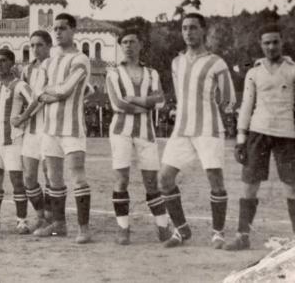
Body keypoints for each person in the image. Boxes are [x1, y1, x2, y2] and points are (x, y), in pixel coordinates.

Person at [224, 24, 295, 250]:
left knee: (292, 185)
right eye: (267, 43)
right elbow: (246, 106)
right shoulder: (254, 72)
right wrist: (241, 140)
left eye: (275, 42)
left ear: (282, 43)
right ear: (261, 45)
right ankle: (243, 236)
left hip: (286, 135)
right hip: (257, 133)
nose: (271, 46)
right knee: (249, 185)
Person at [158, 13, 236, 248]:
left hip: (208, 129)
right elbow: (181, 96)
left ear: (203, 31)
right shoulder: (176, 62)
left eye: (193, 27)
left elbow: (228, 99)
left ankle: (218, 233)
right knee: (164, 178)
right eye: (184, 28)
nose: (188, 32)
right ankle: (182, 231)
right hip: (181, 130)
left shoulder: (217, 62)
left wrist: (215, 115)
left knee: (215, 180)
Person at [105, 28, 170, 245]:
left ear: (140, 45)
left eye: (132, 42)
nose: (128, 46)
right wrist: (145, 105)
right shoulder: (113, 72)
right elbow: (117, 104)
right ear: (120, 46)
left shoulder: (152, 73)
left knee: (151, 182)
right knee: (121, 179)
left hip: (146, 132)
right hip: (120, 132)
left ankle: (162, 227)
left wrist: (133, 99)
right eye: (124, 42)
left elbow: (160, 101)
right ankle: (123, 229)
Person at [32, 13, 93, 243]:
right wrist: (47, 92)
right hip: (50, 128)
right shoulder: (49, 62)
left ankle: (84, 228)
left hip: (72, 128)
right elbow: (37, 92)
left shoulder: (80, 59)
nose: (58, 32)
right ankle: (58, 225)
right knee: (54, 179)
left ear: (73, 30)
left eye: (63, 28)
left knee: (77, 176)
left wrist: (48, 92)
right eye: (55, 28)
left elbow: (66, 89)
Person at [0, 48, 38, 234]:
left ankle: (22, 221)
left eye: (3, 60)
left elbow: (36, 101)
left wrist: (22, 118)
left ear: (12, 63)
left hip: (13, 140)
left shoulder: (19, 85)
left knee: (17, 181)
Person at [21, 30, 54, 231]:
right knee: (29, 177)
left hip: (50, 128)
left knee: (50, 175)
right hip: (31, 130)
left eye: (39, 45)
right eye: (32, 45)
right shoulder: (27, 70)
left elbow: (43, 97)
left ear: (49, 46)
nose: (35, 49)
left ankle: (51, 217)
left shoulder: (55, 66)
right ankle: (41, 215)